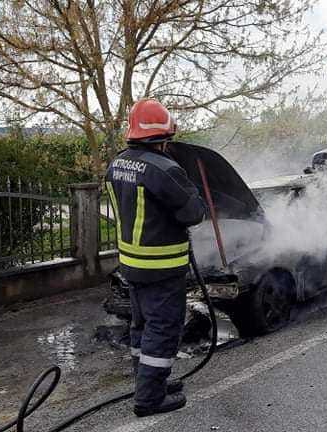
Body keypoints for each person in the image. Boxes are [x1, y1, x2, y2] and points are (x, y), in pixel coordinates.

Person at [105, 98, 205, 417]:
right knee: (163, 329)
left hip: (132, 265)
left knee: (142, 327)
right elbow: (193, 214)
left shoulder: (116, 163)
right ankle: (149, 399)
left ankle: (148, 383)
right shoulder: (164, 168)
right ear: (163, 137)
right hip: (162, 267)